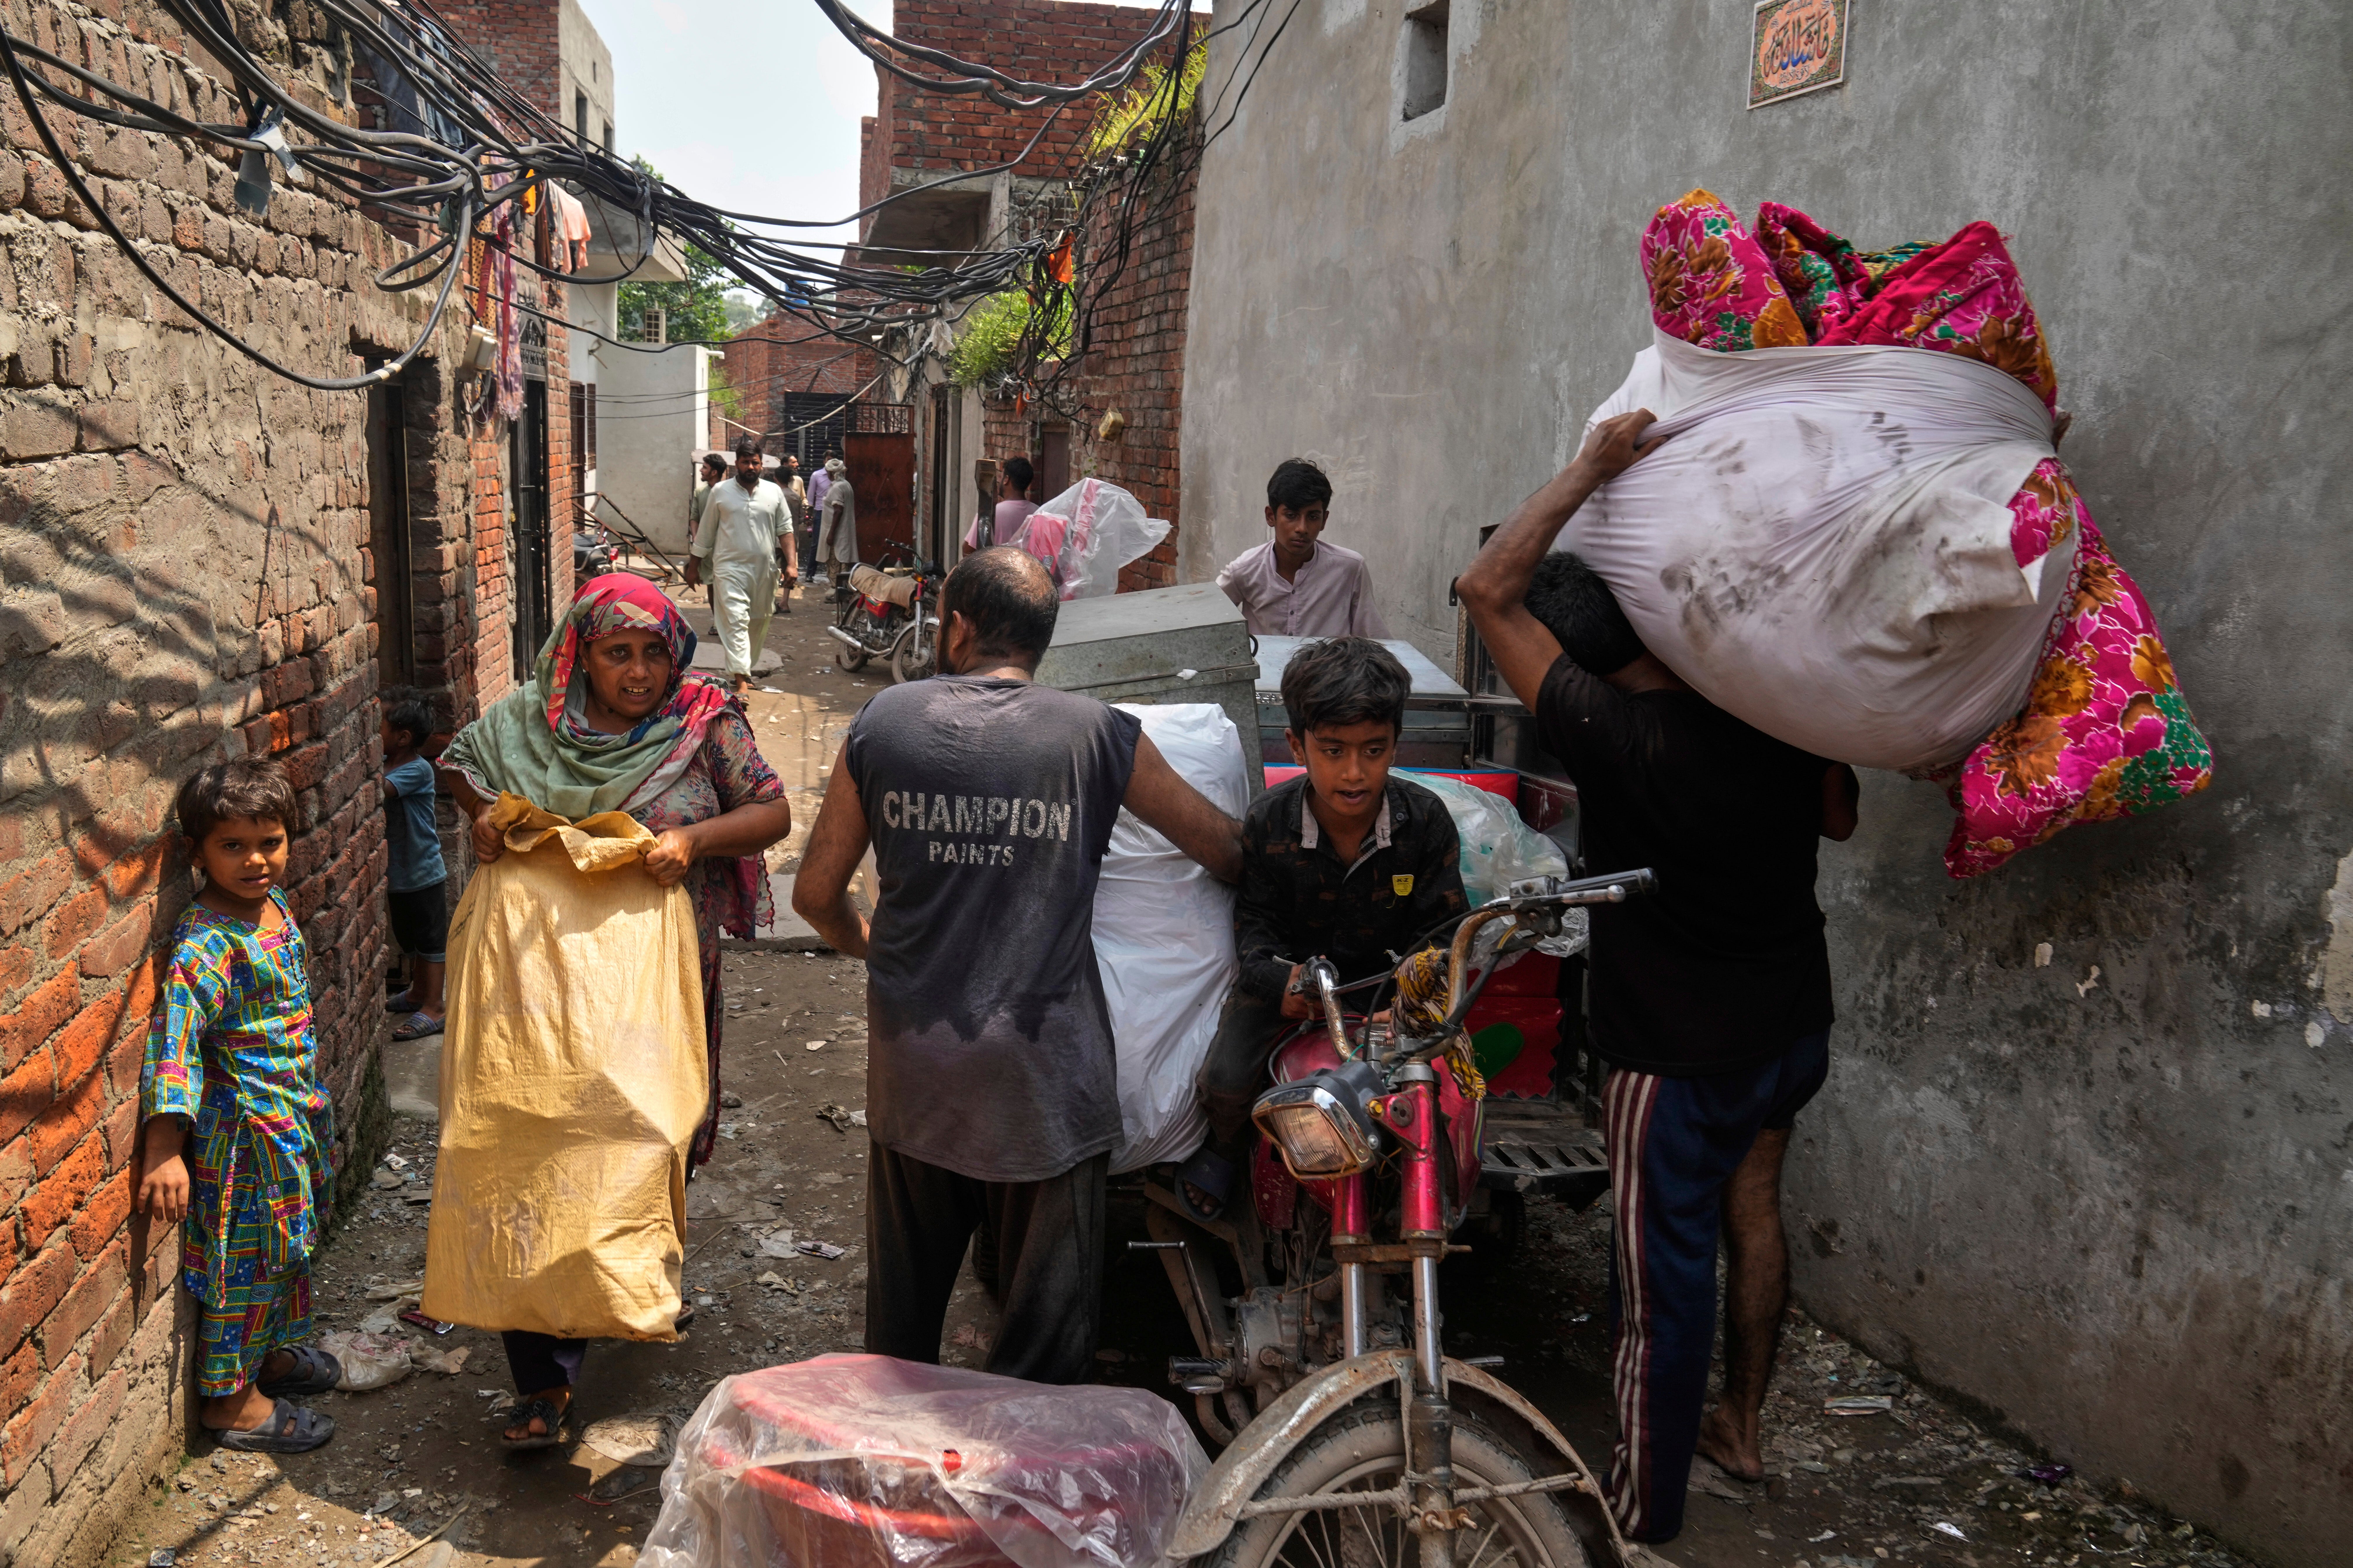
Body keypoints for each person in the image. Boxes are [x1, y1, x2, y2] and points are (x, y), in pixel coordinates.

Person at [1455, 409, 1861, 1546]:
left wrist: (1589, 467)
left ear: (1578, 656)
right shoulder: (1770, 701)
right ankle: (1739, 1426)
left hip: (1674, 1055)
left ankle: (1641, 1508)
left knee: (1657, 1287)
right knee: (1754, 1212)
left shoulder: (1611, 731)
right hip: (1788, 1022)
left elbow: (1483, 589)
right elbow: (1835, 812)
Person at [792, 547, 1244, 1385]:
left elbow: (816, 894)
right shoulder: (1099, 734)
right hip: (1045, 1081)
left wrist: (876, 946)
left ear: (957, 627)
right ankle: (1017, 1501)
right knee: (1041, 1355)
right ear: (1042, 640)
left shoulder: (884, 722)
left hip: (914, 1067)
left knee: (901, 1336)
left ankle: (900, 1488)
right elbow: (1221, 847)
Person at [440, 574, 794, 1446]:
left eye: (653, 651)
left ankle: (624, 1285)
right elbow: (456, 764)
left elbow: (772, 809)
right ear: (579, 652)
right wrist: (485, 818)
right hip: (539, 985)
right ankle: (542, 1379)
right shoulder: (526, 723)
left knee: (640, 1135)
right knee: (532, 1139)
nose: (639, 671)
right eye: (617, 652)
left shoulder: (706, 723)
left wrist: (693, 839)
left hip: (655, 982)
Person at [1177, 637, 1466, 1220]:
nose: (1354, 773)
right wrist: (1280, 982)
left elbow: (1446, 933)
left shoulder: (1425, 821)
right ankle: (1228, 1147)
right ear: (1297, 744)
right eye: (1333, 750)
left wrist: (1417, 994)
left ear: (1395, 743)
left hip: (1390, 994)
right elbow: (1255, 927)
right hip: (1297, 990)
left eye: (1374, 750)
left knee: (1442, 1097)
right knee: (1225, 1083)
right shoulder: (1269, 821)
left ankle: (1434, 1183)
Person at [138, 757, 342, 1454]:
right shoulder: (205, 944)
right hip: (246, 1139)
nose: (256, 860)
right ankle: (231, 1400)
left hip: (290, 1122)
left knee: (288, 1249)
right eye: (233, 846)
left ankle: (273, 1358)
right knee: (246, 1263)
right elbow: (176, 1044)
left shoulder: (274, 910)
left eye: (270, 841)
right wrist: (166, 1148)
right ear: (196, 852)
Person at [1216, 458, 1389, 638]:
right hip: (1264, 666)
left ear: (1324, 520)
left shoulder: (1350, 569)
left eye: (1313, 517)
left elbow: (1373, 639)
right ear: (1271, 517)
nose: (1302, 529)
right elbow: (1206, 621)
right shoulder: (1245, 570)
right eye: (1291, 516)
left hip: (1328, 666)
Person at [686, 436, 797, 692]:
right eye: (745, 462)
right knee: (735, 620)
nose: (750, 467)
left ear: (762, 466)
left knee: (758, 620)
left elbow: (786, 530)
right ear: (736, 464)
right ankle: (741, 682)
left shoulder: (773, 493)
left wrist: (791, 564)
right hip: (728, 569)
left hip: (764, 571)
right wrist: (694, 567)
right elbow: (705, 534)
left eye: (755, 463)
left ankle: (744, 668)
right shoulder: (720, 492)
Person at [381, 689, 448, 1042]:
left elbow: (381, 791)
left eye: (378, 724)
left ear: (403, 737)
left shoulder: (417, 770)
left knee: (431, 941)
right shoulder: (388, 763)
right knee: (413, 940)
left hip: (424, 872)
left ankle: (435, 1006)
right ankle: (419, 994)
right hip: (401, 874)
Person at [965, 455, 1039, 550]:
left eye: (1002, 476)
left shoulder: (992, 511)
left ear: (1006, 480)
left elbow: (968, 549)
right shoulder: (1038, 513)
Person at [815, 455, 858, 598]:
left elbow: (838, 510)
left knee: (835, 562)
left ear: (832, 474)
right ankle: (842, 592)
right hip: (843, 531)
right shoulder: (846, 485)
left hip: (837, 532)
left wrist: (832, 533)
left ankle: (838, 591)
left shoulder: (838, 488)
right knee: (842, 562)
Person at [689, 451, 724, 539]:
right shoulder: (699, 492)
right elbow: (695, 517)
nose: (701, 470)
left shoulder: (729, 492)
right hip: (704, 543)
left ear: (714, 473)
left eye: (705, 468)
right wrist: (695, 537)